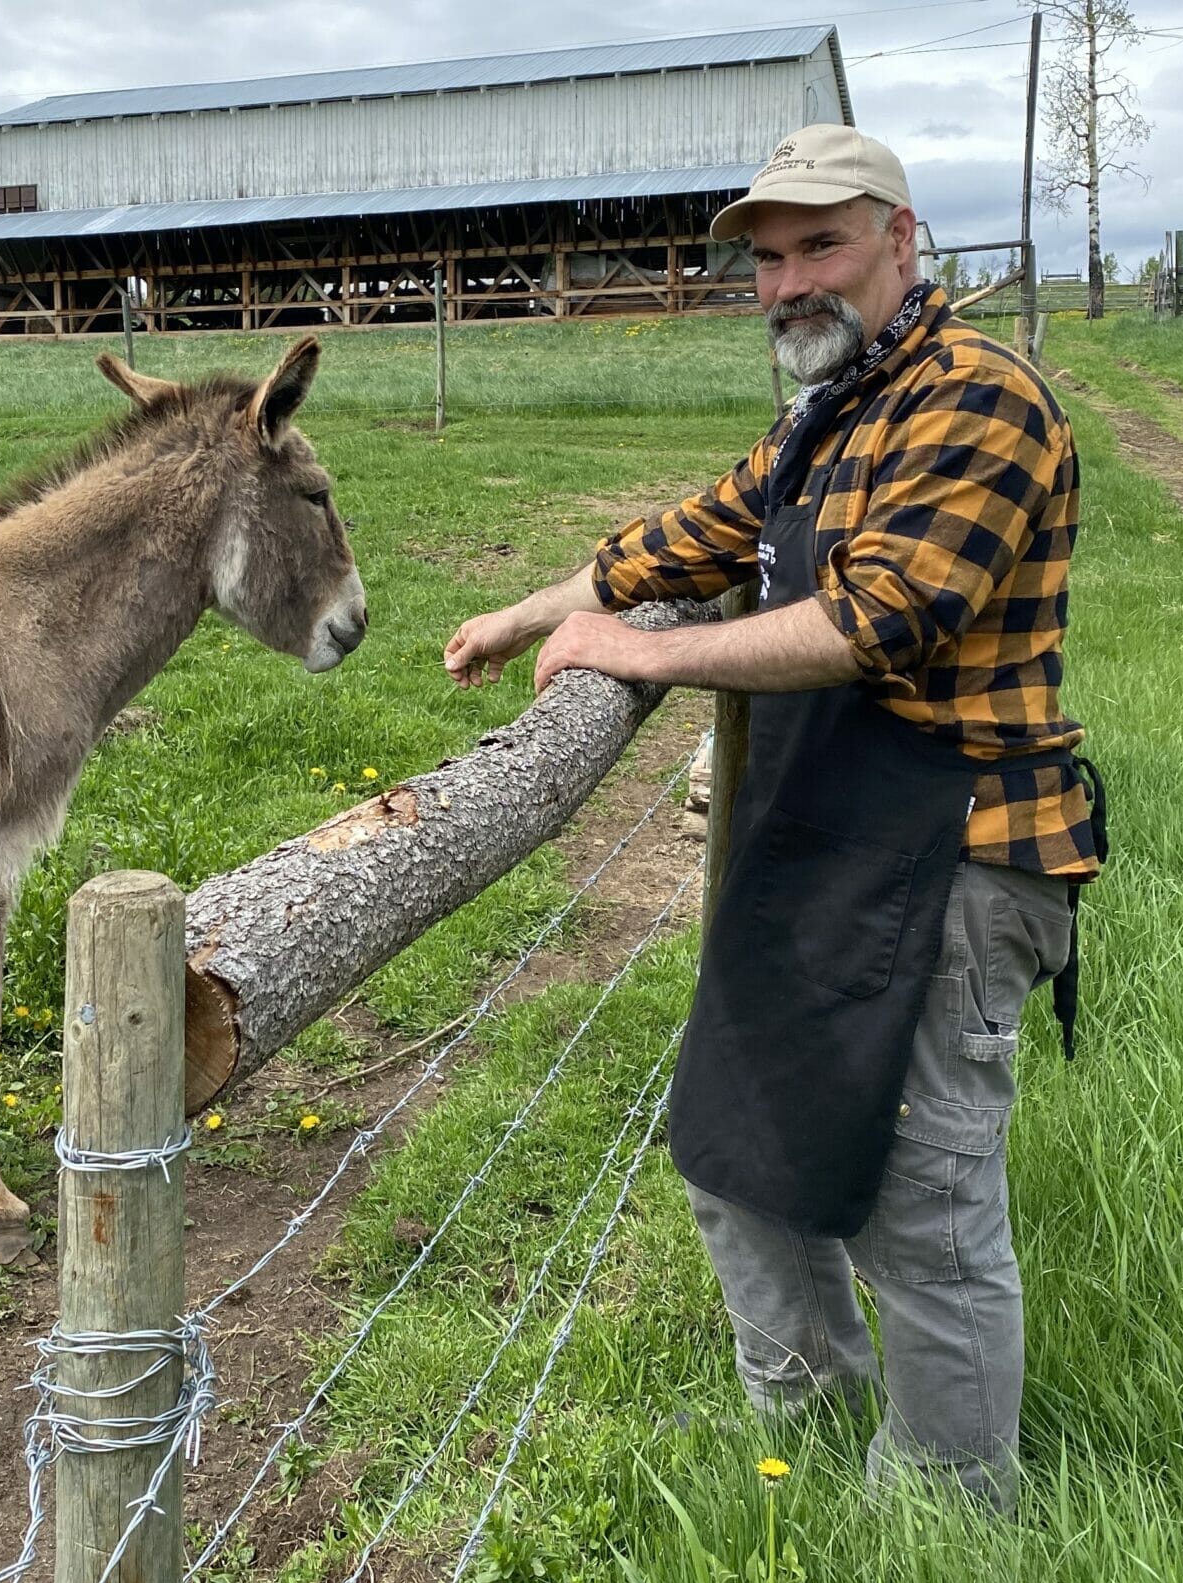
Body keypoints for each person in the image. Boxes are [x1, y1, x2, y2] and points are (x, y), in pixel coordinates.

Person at [444, 125, 1099, 1511]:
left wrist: (649, 654)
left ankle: (947, 1526)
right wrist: (523, 617)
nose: (790, 279)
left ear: (902, 243)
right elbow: (680, 539)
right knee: (738, 1145)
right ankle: (796, 1441)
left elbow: (886, 619)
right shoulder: (828, 417)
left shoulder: (980, 401)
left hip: (959, 853)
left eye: (823, 245)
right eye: (769, 256)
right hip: (824, 840)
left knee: (918, 1207)